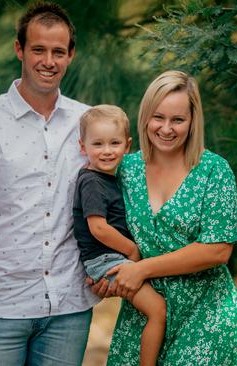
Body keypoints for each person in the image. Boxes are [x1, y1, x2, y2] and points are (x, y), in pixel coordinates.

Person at [0, 2, 97, 365]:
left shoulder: (89, 122)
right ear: (19, 50)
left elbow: (108, 200)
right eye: (38, 50)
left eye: (58, 52)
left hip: (68, 309)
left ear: (71, 56)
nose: (49, 61)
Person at [91, 70, 237, 365]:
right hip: (144, 311)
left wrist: (142, 268)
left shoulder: (214, 170)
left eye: (178, 120)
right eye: (158, 117)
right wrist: (103, 275)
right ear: (145, 117)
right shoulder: (125, 169)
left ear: (193, 122)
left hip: (206, 316)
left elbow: (218, 249)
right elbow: (100, 225)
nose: (166, 128)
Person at [74, 105, 167, 366]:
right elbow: (98, 228)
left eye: (114, 143)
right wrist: (132, 251)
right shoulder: (91, 181)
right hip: (106, 259)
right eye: (98, 144)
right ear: (83, 147)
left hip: (112, 257)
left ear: (127, 146)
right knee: (157, 309)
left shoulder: (111, 178)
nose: (106, 151)